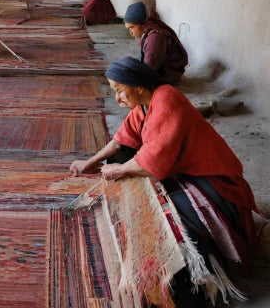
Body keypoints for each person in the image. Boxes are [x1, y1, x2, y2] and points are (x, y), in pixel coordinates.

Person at [69, 57, 257, 275]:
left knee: (170, 223)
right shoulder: (144, 103)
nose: (117, 99)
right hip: (182, 170)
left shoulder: (166, 100)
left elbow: (151, 163)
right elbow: (120, 140)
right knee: (121, 155)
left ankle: (206, 269)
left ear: (138, 87)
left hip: (214, 183)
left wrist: (119, 170)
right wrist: (89, 163)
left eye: (119, 90)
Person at [123, 1, 188, 85]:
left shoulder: (155, 37)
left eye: (132, 27)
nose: (130, 32)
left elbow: (149, 70)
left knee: (122, 77)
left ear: (143, 24)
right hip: (160, 70)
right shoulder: (148, 31)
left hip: (167, 75)